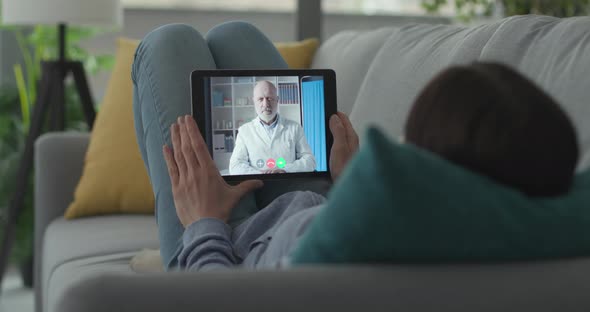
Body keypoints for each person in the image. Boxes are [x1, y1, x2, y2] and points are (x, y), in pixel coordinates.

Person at [133, 22, 578, 272]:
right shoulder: (480, 216)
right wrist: (348, 182)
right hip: (314, 207)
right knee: (235, 36)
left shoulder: (336, 264)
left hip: (227, 240)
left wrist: (203, 222)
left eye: (410, 141)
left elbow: (219, 299)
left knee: (166, 42)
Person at [229, 80, 316, 175]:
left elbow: (310, 161)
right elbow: (235, 166)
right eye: (260, 99)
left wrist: (285, 170)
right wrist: (260, 174)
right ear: (254, 101)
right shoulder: (244, 131)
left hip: (288, 183)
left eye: (269, 98)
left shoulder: (295, 128)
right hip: (257, 185)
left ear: (277, 100)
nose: (265, 104)